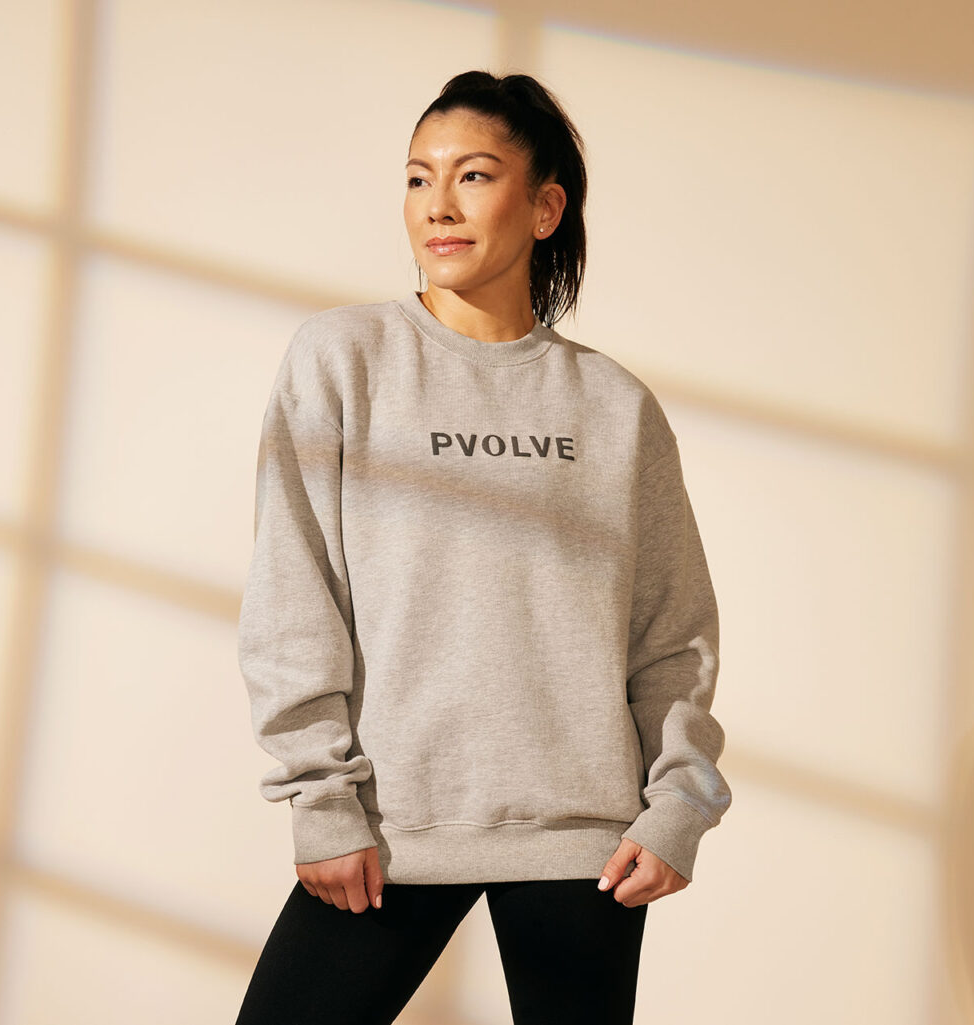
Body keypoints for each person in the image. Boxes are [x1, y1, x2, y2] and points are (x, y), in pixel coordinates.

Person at [234, 69, 730, 1025]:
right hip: (390, 824)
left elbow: (672, 631)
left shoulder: (615, 406)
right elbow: (294, 588)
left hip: (587, 843)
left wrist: (679, 805)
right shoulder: (342, 359)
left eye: (473, 175)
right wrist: (320, 797)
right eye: (418, 178)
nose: (438, 205)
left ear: (545, 207)